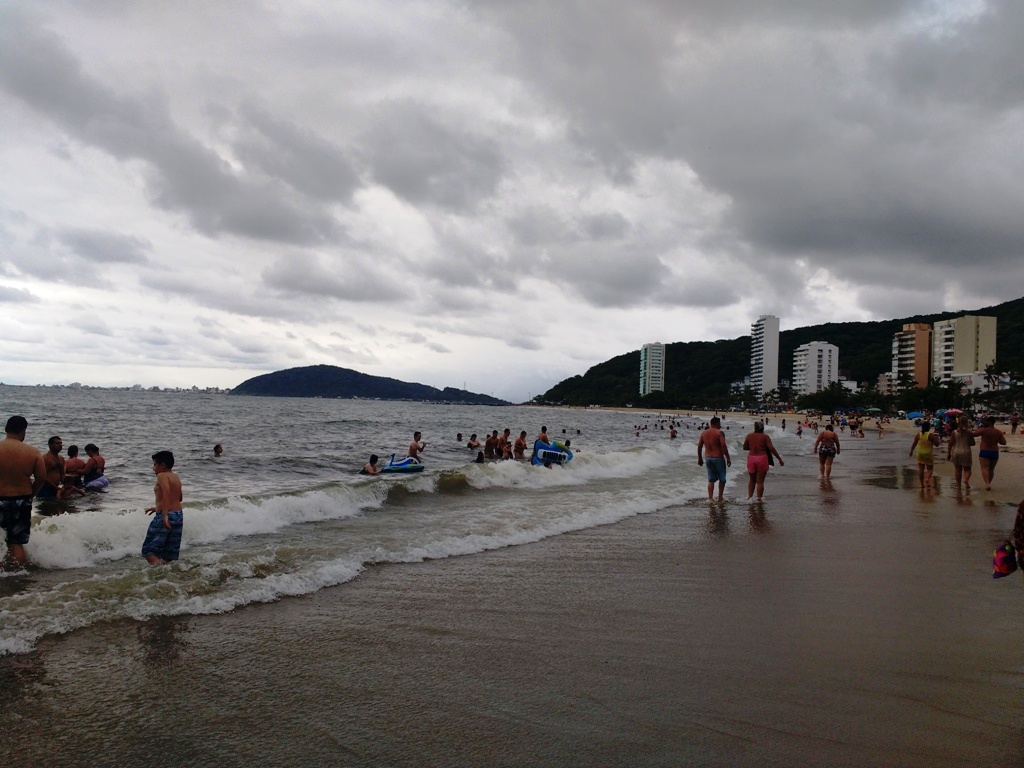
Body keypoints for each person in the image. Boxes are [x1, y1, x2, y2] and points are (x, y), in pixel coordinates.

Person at [0, 416, 46, 568]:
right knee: (16, 542)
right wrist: (32, 494)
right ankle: (15, 574)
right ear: (23, 431)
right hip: (21, 499)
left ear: (6, 429)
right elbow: (41, 477)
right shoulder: (32, 452)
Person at [142, 450, 184, 565]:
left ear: (162, 465)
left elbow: (167, 492)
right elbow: (178, 498)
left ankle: (160, 572)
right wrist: (157, 507)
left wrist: (164, 514)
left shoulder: (162, 475)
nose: (153, 468)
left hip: (166, 515)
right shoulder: (176, 477)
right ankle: (167, 573)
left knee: (148, 550)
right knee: (168, 553)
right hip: (178, 515)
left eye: (155, 465)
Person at [741, 421, 784, 500]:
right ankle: (758, 499)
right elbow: (771, 448)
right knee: (760, 481)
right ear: (763, 428)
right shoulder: (765, 437)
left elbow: (744, 447)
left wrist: (753, 447)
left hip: (751, 458)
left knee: (752, 480)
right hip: (762, 458)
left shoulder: (749, 436)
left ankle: (749, 497)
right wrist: (779, 459)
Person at [697, 417, 731, 502]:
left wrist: (700, 458)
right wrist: (728, 458)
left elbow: (700, 446)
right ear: (716, 423)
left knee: (711, 479)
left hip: (708, 458)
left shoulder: (704, 433)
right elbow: (723, 445)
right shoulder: (719, 433)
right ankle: (720, 498)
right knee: (722, 479)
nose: (720, 425)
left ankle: (710, 498)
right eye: (719, 423)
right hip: (718, 457)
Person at [975, 416, 1007, 491]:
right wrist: (996, 439)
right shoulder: (998, 432)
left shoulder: (983, 430)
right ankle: (989, 483)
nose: (985, 422)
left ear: (989, 422)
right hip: (994, 452)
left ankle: (987, 484)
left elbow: (974, 434)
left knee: (984, 468)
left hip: (984, 451)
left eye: (986, 421)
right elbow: (1004, 442)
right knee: (991, 469)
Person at [909, 423, 941, 489]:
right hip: (928, 454)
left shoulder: (918, 434)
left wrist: (911, 451)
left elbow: (914, 443)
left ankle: (921, 484)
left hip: (919, 454)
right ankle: (927, 478)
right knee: (930, 469)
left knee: (921, 469)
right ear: (929, 428)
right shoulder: (931, 435)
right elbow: (937, 444)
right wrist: (939, 440)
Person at [946, 416, 975, 490]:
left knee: (958, 470)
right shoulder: (969, 433)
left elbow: (950, 443)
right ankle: (966, 480)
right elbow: (973, 443)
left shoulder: (954, 432)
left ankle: (958, 485)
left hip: (956, 452)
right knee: (967, 469)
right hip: (966, 452)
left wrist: (948, 453)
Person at [37, 435, 66, 499]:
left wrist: (67, 485)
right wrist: (56, 487)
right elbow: (44, 477)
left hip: (56, 488)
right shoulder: (45, 458)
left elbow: (62, 474)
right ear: (50, 445)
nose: (60, 445)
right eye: (57, 443)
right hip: (45, 488)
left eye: (61, 443)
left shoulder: (61, 458)